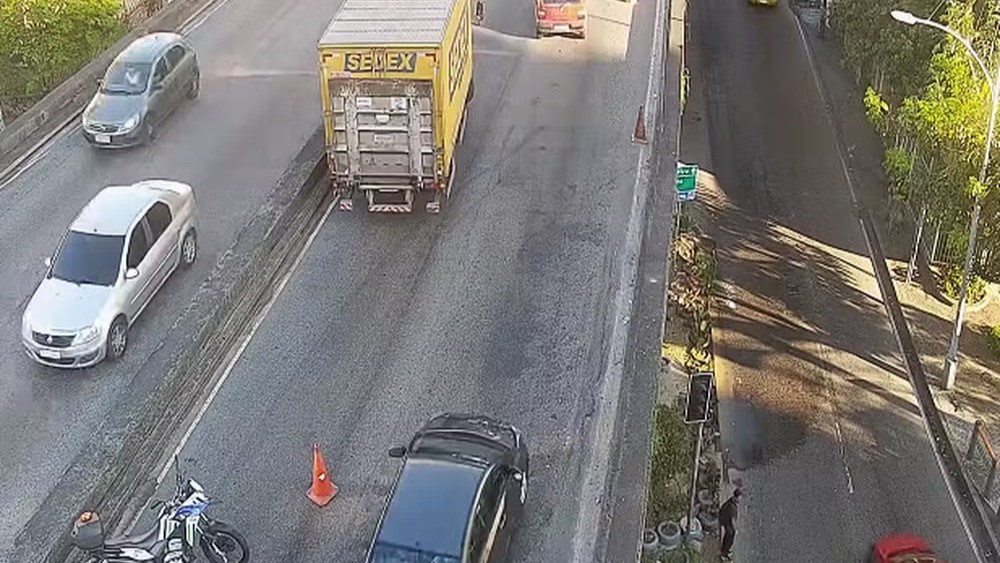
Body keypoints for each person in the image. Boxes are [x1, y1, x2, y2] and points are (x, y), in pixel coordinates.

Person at [719, 488, 742, 561]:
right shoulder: (731, 507)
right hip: (727, 523)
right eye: (739, 498)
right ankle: (724, 554)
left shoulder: (731, 501)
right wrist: (735, 529)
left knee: (730, 538)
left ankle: (726, 551)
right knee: (728, 539)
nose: (740, 500)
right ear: (736, 497)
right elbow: (732, 521)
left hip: (726, 520)